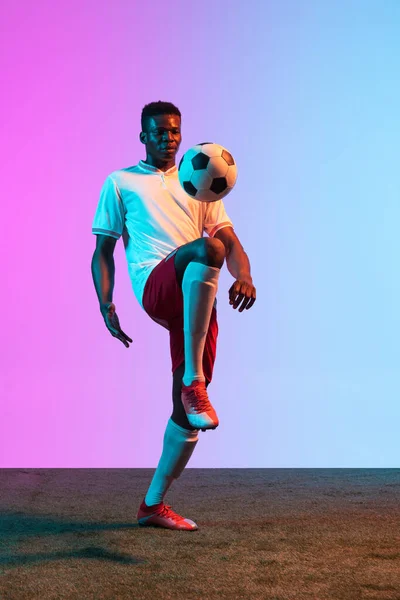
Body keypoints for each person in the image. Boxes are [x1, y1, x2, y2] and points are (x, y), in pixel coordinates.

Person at [91, 101, 256, 531]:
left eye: (175, 131)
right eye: (159, 131)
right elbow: (103, 251)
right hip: (156, 284)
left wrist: (247, 276)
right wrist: (107, 303)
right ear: (143, 136)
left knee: (188, 416)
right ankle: (194, 382)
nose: (169, 137)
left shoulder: (198, 181)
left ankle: (152, 504)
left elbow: (229, 239)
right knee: (206, 249)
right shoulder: (121, 182)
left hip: (197, 300)